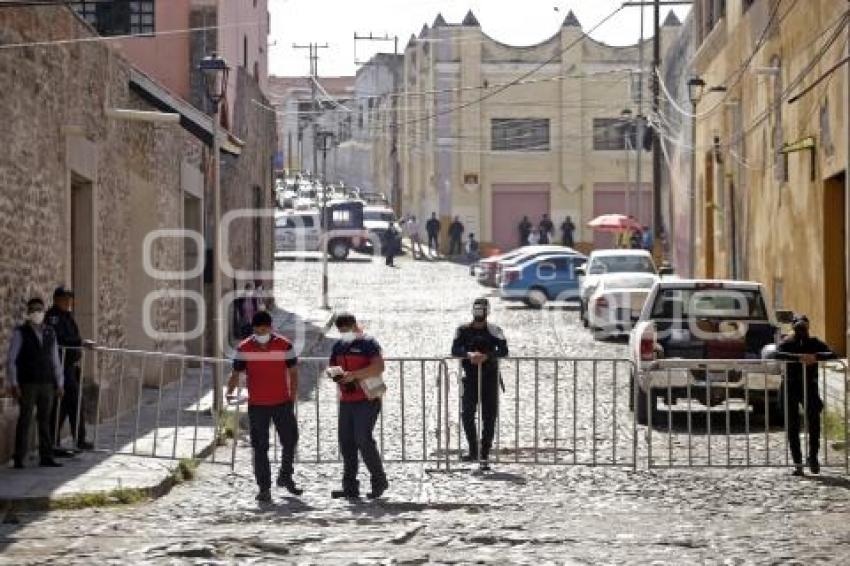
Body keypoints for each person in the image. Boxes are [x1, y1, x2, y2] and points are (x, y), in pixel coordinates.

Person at [227, 310, 302, 502]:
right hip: (257, 406)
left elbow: (293, 372)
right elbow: (235, 372)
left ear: (270, 327)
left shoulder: (285, 345)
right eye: (258, 330)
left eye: (264, 329)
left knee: (291, 441)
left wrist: (292, 397)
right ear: (253, 328)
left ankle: (285, 475)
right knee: (260, 448)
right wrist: (229, 391)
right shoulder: (244, 348)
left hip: (282, 403)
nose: (261, 333)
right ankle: (264, 488)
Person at [327, 313, 388, 499]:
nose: (344, 333)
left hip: (367, 399)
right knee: (346, 443)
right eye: (341, 331)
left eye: (347, 329)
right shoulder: (338, 346)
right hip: (347, 400)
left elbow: (379, 367)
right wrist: (336, 375)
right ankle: (350, 487)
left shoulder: (368, 342)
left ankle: (379, 481)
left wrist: (354, 375)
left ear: (354, 326)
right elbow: (331, 368)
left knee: (363, 439)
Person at [774, 315, 837, 476]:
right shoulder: (787, 342)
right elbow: (776, 354)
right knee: (792, 425)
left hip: (809, 386)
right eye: (798, 327)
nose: (801, 330)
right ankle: (798, 462)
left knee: (814, 422)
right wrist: (799, 358)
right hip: (790, 386)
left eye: (803, 327)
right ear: (793, 327)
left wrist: (815, 356)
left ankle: (813, 458)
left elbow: (833, 354)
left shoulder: (814, 343)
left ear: (808, 327)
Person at [451, 298, 508, 470]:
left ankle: (484, 453)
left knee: (489, 417)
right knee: (467, 414)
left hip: (490, 378)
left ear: (487, 312)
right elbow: (454, 350)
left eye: (482, 310)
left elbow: (504, 350)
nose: (479, 313)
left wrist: (487, 355)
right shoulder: (462, 330)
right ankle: (473, 449)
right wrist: (469, 354)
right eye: (476, 309)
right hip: (470, 378)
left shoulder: (495, 330)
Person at [7, 297, 64, 468]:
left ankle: (46, 456)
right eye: (33, 309)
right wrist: (14, 383)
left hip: (47, 382)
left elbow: (55, 359)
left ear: (44, 311)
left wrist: (60, 383)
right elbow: (12, 359)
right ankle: (19, 457)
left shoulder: (50, 332)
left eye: (39, 309)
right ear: (28, 312)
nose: (36, 312)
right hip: (28, 383)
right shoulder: (21, 332)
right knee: (25, 419)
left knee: (45, 420)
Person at [46, 286, 94, 454]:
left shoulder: (67, 316)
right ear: (57, 300)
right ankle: (55, 442)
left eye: (70, 299)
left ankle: (75, 439)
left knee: (70, 404)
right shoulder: (53, 318)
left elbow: (74, 336)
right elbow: (60, 339)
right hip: (60, 367)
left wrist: (78, 343)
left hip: (70, 366)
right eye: (65, 299)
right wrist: (79, 343)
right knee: (63, 405)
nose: (68, 303)